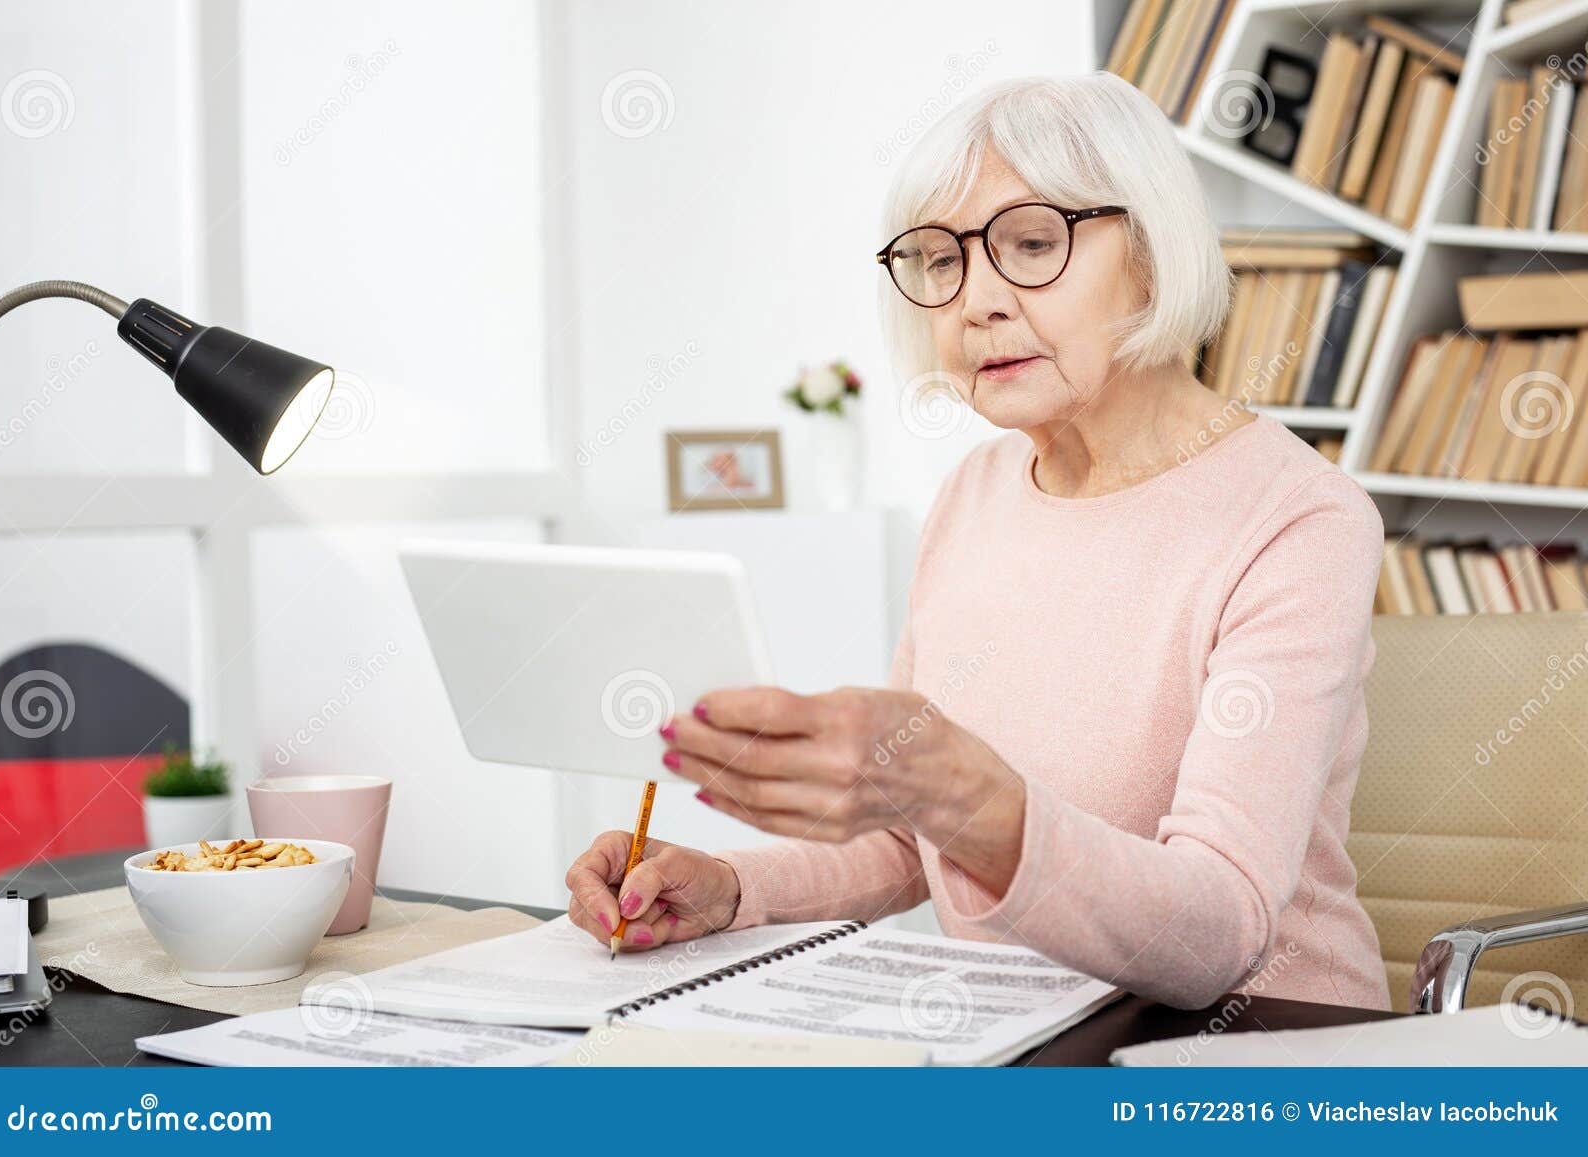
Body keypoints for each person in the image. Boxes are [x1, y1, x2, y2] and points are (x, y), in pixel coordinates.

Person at [564, 73, 1390, 1010]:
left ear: (1154, 253)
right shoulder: (973, 494)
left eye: (1033, 243)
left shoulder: (1298, 519)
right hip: (1024, 1032)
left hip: (1265, 1047)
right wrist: (733, 886)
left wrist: (963, 791)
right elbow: (910, 839)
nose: (975, 303)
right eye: (937, 261)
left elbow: (1218, 934)